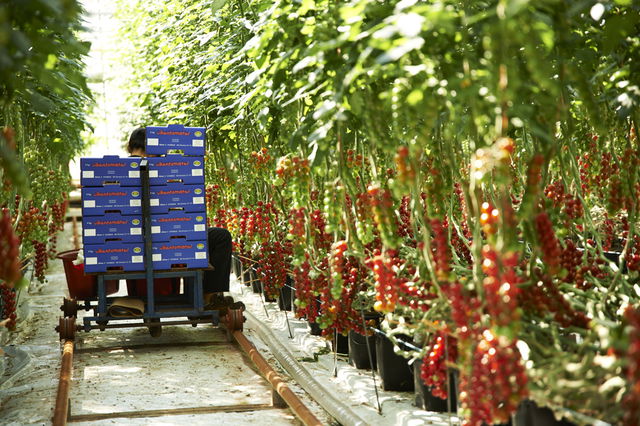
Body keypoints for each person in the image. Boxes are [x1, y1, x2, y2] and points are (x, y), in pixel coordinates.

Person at [126, 127, 232, 301]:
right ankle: (208, 295)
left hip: (133, 238)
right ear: (153, 147)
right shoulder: (161, 169)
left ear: (131, 146)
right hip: (167, 236)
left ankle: (205, 295)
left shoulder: (119, 172)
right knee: (221, 237)